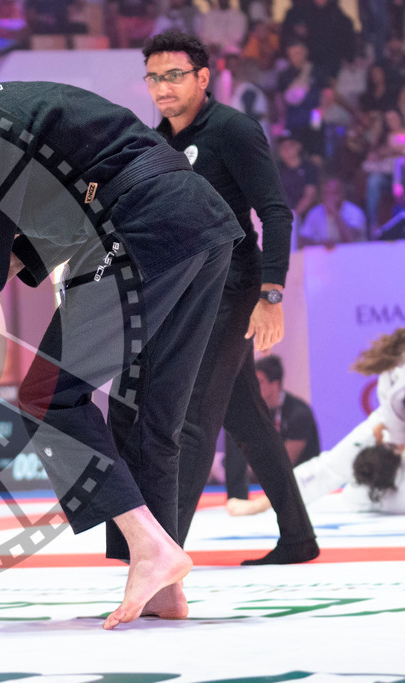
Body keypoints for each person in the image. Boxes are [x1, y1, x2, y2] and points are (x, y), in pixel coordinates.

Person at [0, 45, 243, 629]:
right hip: (199, 225)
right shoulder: (17, 104)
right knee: (147, 413)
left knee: (46, 396)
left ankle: (151, 547)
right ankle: (163, 585)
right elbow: (45, 227)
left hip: (139, 231)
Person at [141, 31, 318, 566]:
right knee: (245, 418)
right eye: (154, 77)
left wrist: (271, 292)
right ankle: (298, 537)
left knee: (192, 418)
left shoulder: (233, 131)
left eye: (174, 75)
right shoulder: (158, 141)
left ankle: (164, 558)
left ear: (203, 77)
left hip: (234, 289)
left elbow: (277, 211)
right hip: (188, 296)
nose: (162, 87)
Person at [229, 329, 405, 515]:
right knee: (358, 493)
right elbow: (325, 470)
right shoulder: (382, 425)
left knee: (359, 493)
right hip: (380, 478)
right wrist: (259, 505)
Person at [224, 355, 321, 500]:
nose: (254, 386)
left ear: (275, 384)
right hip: (263, 483)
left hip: (302, 485)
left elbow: (283, 464)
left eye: (259, 381)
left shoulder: (298, 413)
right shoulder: (253, 410)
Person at [298, 176, 368, 246]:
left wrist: (336, 214)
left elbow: (351, 240)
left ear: (342, 194)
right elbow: (303, 240)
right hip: (325, 256)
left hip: (354, 255)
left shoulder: (354, 212)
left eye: (334, 193)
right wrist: (322, 244)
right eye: (326, 193)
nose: (330, 197)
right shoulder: (315, 212)